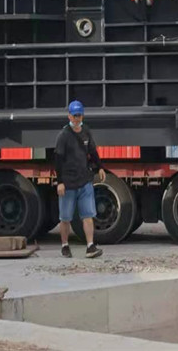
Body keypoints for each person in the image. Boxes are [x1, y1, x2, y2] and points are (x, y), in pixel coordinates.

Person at [54, 99, 106, 259]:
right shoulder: (64, 135)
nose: (77, 118)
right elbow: (58, 158)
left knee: (88, 215)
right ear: (69, 116)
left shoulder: (86, 132)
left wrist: (100, 167)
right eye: (75, 115)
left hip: (84, 180)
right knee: (65, 217)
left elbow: (93, 151)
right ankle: (64, 245)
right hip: (68, 183)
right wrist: (60, 181)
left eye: (80, 115)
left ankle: (90, 246)